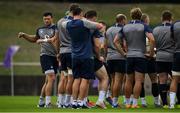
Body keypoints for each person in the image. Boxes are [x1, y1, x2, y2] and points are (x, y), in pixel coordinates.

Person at [114, 8, 155, 108]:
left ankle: (127, 103)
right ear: (140, 16)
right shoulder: (143, 26)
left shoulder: (125, 27)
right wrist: (151, 54)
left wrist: (123, 53)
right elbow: (152, 39)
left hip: (129, 56)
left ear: (131, 15)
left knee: (128, 80)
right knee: (138, 81)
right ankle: (135, 103)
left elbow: (115, 41)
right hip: (140, 56)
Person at [62, 7, 103, 109]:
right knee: (84, 80)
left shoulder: (67, 24)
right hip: (86, 56)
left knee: (76, 79)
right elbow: (99, 25)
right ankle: (81, 102)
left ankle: (74, 102)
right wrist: (85, 20)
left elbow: (63, 24)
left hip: (74, 56)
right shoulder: (84, 23)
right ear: (81, 13)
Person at [18, 12, 59, 108]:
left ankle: (41, 101)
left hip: (55, 56)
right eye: (45, 19)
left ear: (52, 19)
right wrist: (24, 35)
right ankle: (48, 103)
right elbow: (34, 39)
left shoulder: (56, 28)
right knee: (52, 78)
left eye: (48, 19)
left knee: (48, 80)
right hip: (45, 56)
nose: (46, 20)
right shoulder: (40, 29)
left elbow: (55, 39)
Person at [56, 3, 80, 108]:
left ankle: (60, 102)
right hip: (71, 52)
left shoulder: (59, 21)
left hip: (62, 52)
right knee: (71, 78)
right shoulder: (73, 22)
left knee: (63, 77)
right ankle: (67, 102)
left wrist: (58, 52)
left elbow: (56, 38)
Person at [84, 10, 109, 109]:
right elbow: (97, 45)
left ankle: (80, 101)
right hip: (92, 57)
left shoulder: (79, 26)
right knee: (104, 78)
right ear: (94, 17)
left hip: (77, 56)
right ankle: (100, 101)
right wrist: (99, 56)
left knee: (82, 80)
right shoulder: (94, 27)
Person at [153, 10, 174, 108]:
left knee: (162, 80)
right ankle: (177, 102)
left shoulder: (156, 29)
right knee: (176, 80)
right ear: (171, 19)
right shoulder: (174, 29)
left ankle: (165, 103)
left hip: (160, 57)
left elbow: (153, 43)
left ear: (162, 19)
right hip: (172, 57)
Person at [106, 14, 127, 108]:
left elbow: (105, 44)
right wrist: (125, 53)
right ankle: (115, 102)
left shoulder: (109, 29)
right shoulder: (123, 29)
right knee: (119, 80)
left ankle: (112, 99)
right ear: (122, 20)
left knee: (113, 80)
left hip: (110, 57)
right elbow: (124, 44)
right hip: (119, 56)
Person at [140, 13, 160, 107]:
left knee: (140, 81)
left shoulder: (136, 31)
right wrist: (152, 54)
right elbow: (154, 43)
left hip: (140, 57)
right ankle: (156, 101)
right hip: (150, 58)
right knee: (154, 80)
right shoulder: (149, 31)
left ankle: (143, 101)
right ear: (146, 21)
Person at [169, 20, 180, 109]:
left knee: (175, 79)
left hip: (177, 54)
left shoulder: (175, 24)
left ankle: (172, 104)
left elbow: (171, 38)